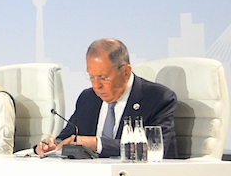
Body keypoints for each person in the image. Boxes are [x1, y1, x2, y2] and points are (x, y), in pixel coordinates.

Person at [36, 38, 178, 158]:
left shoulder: (158, 99)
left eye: (103, 78)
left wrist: (97, 144)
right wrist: (50, 145)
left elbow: (155, 149)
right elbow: (68, 137)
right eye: (91, 77)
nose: (96, 85)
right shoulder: (88, 98)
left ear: (126, 72)